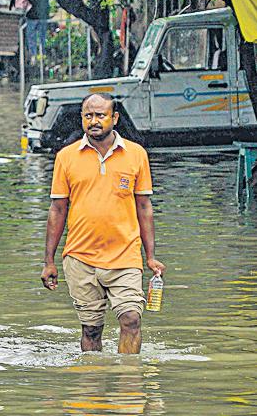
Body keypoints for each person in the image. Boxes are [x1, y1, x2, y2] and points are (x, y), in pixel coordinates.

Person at [41, 93, 166, 354]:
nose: (94, 121)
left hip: (125, 256)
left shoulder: (136, 154)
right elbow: (57, 210)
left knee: (131, 319)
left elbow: (144, 207)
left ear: (115, 118)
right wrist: (49, 261)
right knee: (91, 329)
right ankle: (92, 385)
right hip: (80, 258)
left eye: (100, 115)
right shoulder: (66, 157)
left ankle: (128, 385)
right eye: (88, 115)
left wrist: (151, 256)